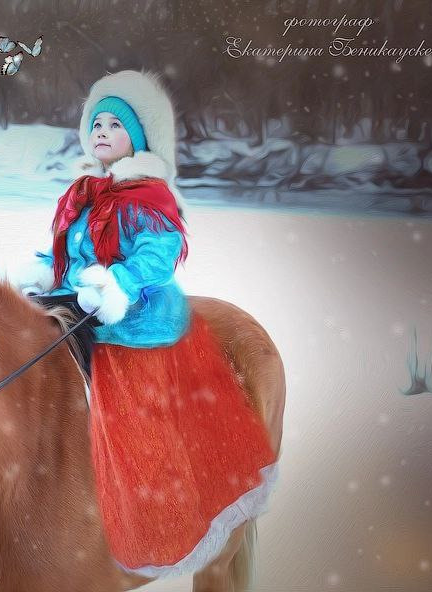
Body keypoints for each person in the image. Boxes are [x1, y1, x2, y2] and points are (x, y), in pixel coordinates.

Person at [17, 70, 279, 579]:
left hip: (131, 311)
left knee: (129, 401)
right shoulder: (83, 192)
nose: (101, 131)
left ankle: (148, 496)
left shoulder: (148, 195)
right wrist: (46, 273)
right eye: (96, 123)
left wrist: (118, 284)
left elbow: (157, 256)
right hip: (79, 301)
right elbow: (67, 252)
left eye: (115, 124)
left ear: (137, 138)